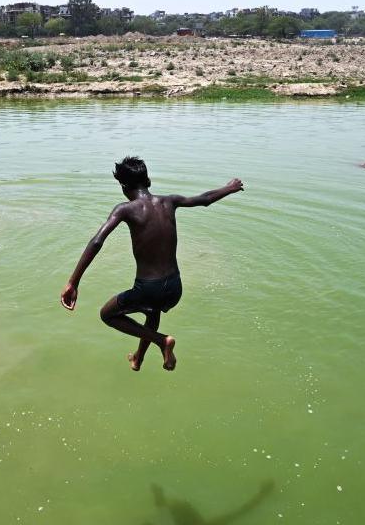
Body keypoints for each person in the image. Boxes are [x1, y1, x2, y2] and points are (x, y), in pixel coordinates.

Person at [60, 156, 243, 371]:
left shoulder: (125, 209)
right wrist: (229, 188)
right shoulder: (169, 201)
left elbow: (97, 241)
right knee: (152, 312)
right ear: (148, 180)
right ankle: (138, 359)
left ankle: (161, 341)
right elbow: (205, 199)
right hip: (174, 288)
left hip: (149, 289)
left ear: (123, 186)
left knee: (107, 314)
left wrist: (73, 282)